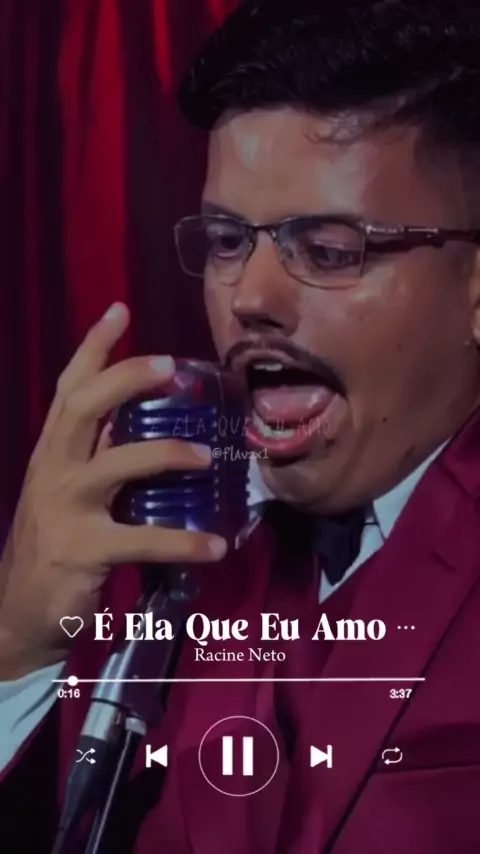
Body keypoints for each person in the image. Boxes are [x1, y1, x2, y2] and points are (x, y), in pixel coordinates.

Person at [1, 1, 480, 851]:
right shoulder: (145, 558)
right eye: (228, 241)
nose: (249, 297)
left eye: (329, 250)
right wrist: (18, 655)